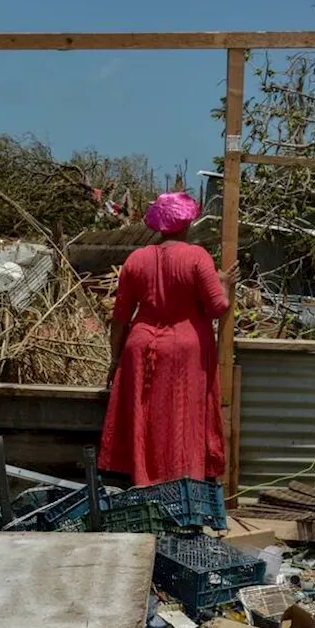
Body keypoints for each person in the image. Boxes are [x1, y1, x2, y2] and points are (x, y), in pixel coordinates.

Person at [99, 192, 236, 486]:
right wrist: (225, 285)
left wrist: (115, 358)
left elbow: (120, 317)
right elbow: (217, 307)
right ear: (186, 224)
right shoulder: (197, 257)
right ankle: (182, 484)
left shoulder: (136, 259)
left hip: (140, 344)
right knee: (181, 419)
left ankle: (142, 480)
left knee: (144, 417)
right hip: (184, 349)